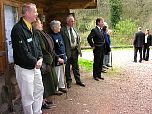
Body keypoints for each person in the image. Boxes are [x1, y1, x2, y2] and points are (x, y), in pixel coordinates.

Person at [11, 3, 44, 114]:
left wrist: (40, 58)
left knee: (39, 90)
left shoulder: (31, 28)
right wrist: (36, 61)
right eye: (35, 11)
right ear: (27, 13)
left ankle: (37, 111)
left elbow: (37, 46)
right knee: (27, 95)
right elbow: (22, 52)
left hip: (36, 66)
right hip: (24, 68)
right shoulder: (17, 29)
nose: (37, 14)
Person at [32, 18, 63, 109]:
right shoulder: (37, 33)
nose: (41, 24)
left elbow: (49, 47)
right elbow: (42, 49)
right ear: (35, 25)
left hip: (48, 60)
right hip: (44, 62)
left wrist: (56, 57)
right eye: (39, 23)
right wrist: (48, 59)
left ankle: (43, 100)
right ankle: (42, 102)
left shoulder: (42, 33)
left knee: (46, 82)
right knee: (43, 83)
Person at [61, 14, 85, 88]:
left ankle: (78, 80)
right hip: (67, 51)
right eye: (71, 21)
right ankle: (69, 82)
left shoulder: (74, 29)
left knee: (76, 66)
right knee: (67, 67)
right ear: (67, 21)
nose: (73, 22)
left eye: (73, 21)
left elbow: (77, 38)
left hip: (75, 51)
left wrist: (78, 41)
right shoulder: (62, 30)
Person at [49, 20, 67, 93]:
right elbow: (52, 49)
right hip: (57, 58)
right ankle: (55, 89)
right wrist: (58, 58)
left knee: (62, 72)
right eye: (59, 26)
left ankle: (61, 86)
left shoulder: (59, 34)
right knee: (57, 73)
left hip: (63, 56)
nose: (60, 27)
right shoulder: (50, 36)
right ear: (54, 27)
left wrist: (65, 55)